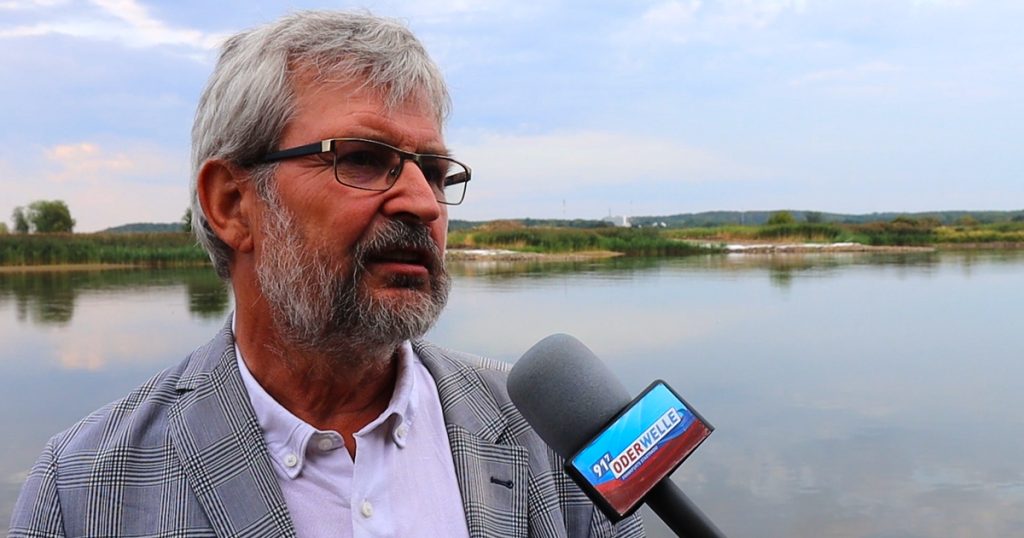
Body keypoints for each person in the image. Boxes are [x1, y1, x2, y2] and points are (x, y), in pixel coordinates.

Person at [9, 10, 644, 538]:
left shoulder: (549, 432)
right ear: (232, 204)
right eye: (364, 160)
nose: (423, 202)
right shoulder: (84, 489)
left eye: (436, 172)